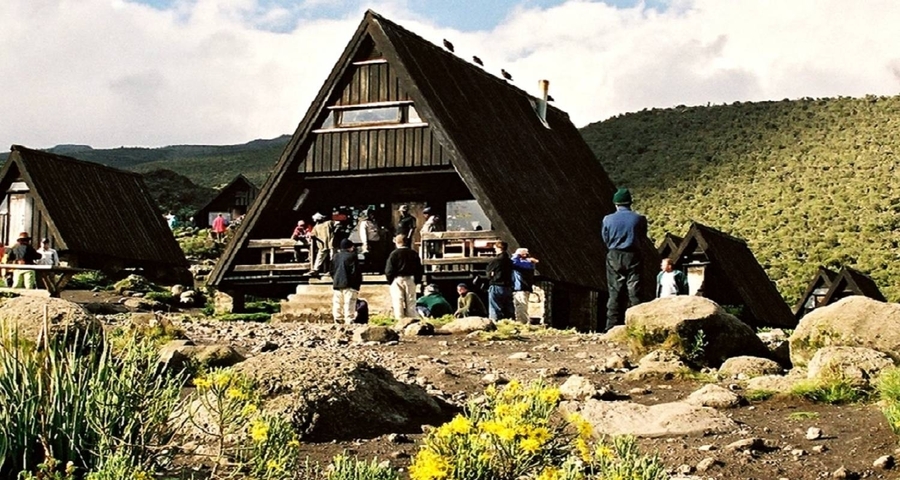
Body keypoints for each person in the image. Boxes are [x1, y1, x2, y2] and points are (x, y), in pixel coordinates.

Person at [601, 188, 648, 332]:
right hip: (633, 255)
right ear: (630, 203)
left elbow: (605, 238)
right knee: (634, 290)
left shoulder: (607, 219)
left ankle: (611, 326)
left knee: (614, 290)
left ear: (616, 203)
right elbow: (643, 237)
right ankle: (637, 326)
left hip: (614, 255)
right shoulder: (639, 219)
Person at [385, 233, 422, 319]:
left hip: (397, 279)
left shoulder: (394, 254)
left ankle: (400, 320)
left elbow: (389, 270)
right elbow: (419, 268)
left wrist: (390, 280)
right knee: (411, 301)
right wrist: (417, 280)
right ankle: (413, 319)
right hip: (410, 278)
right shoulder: (413, 253)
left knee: (398, 300)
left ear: (397, 242)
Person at [331, 238, 362, 324]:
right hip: (349, 283)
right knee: (349, 302)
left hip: (337, 283)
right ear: (350, 247)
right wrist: (357, 284)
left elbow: (331, 270)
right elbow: (355, 271)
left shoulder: (335, 256)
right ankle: (349, 319)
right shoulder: (352, 256)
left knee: (337, 302)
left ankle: (338, 318)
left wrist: (335, 279)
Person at [486, 241, 514, 320]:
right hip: (508, 287)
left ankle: (495, 324)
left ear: (498, 248)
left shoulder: (495, 261)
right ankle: (509, 322)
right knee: (508, 307)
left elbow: (488, 275)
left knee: (495, 307)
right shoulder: (509, 261)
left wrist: (491, 275)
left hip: (496, 285)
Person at [511, 248, 539, 324]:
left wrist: (518, 255)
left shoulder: (525, 264)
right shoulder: (528, 263)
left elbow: (513, 262)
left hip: (521, 288)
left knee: (521, 306)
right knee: (521, 306)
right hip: (523, 287)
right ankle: (522, 321)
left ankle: (521, 323)